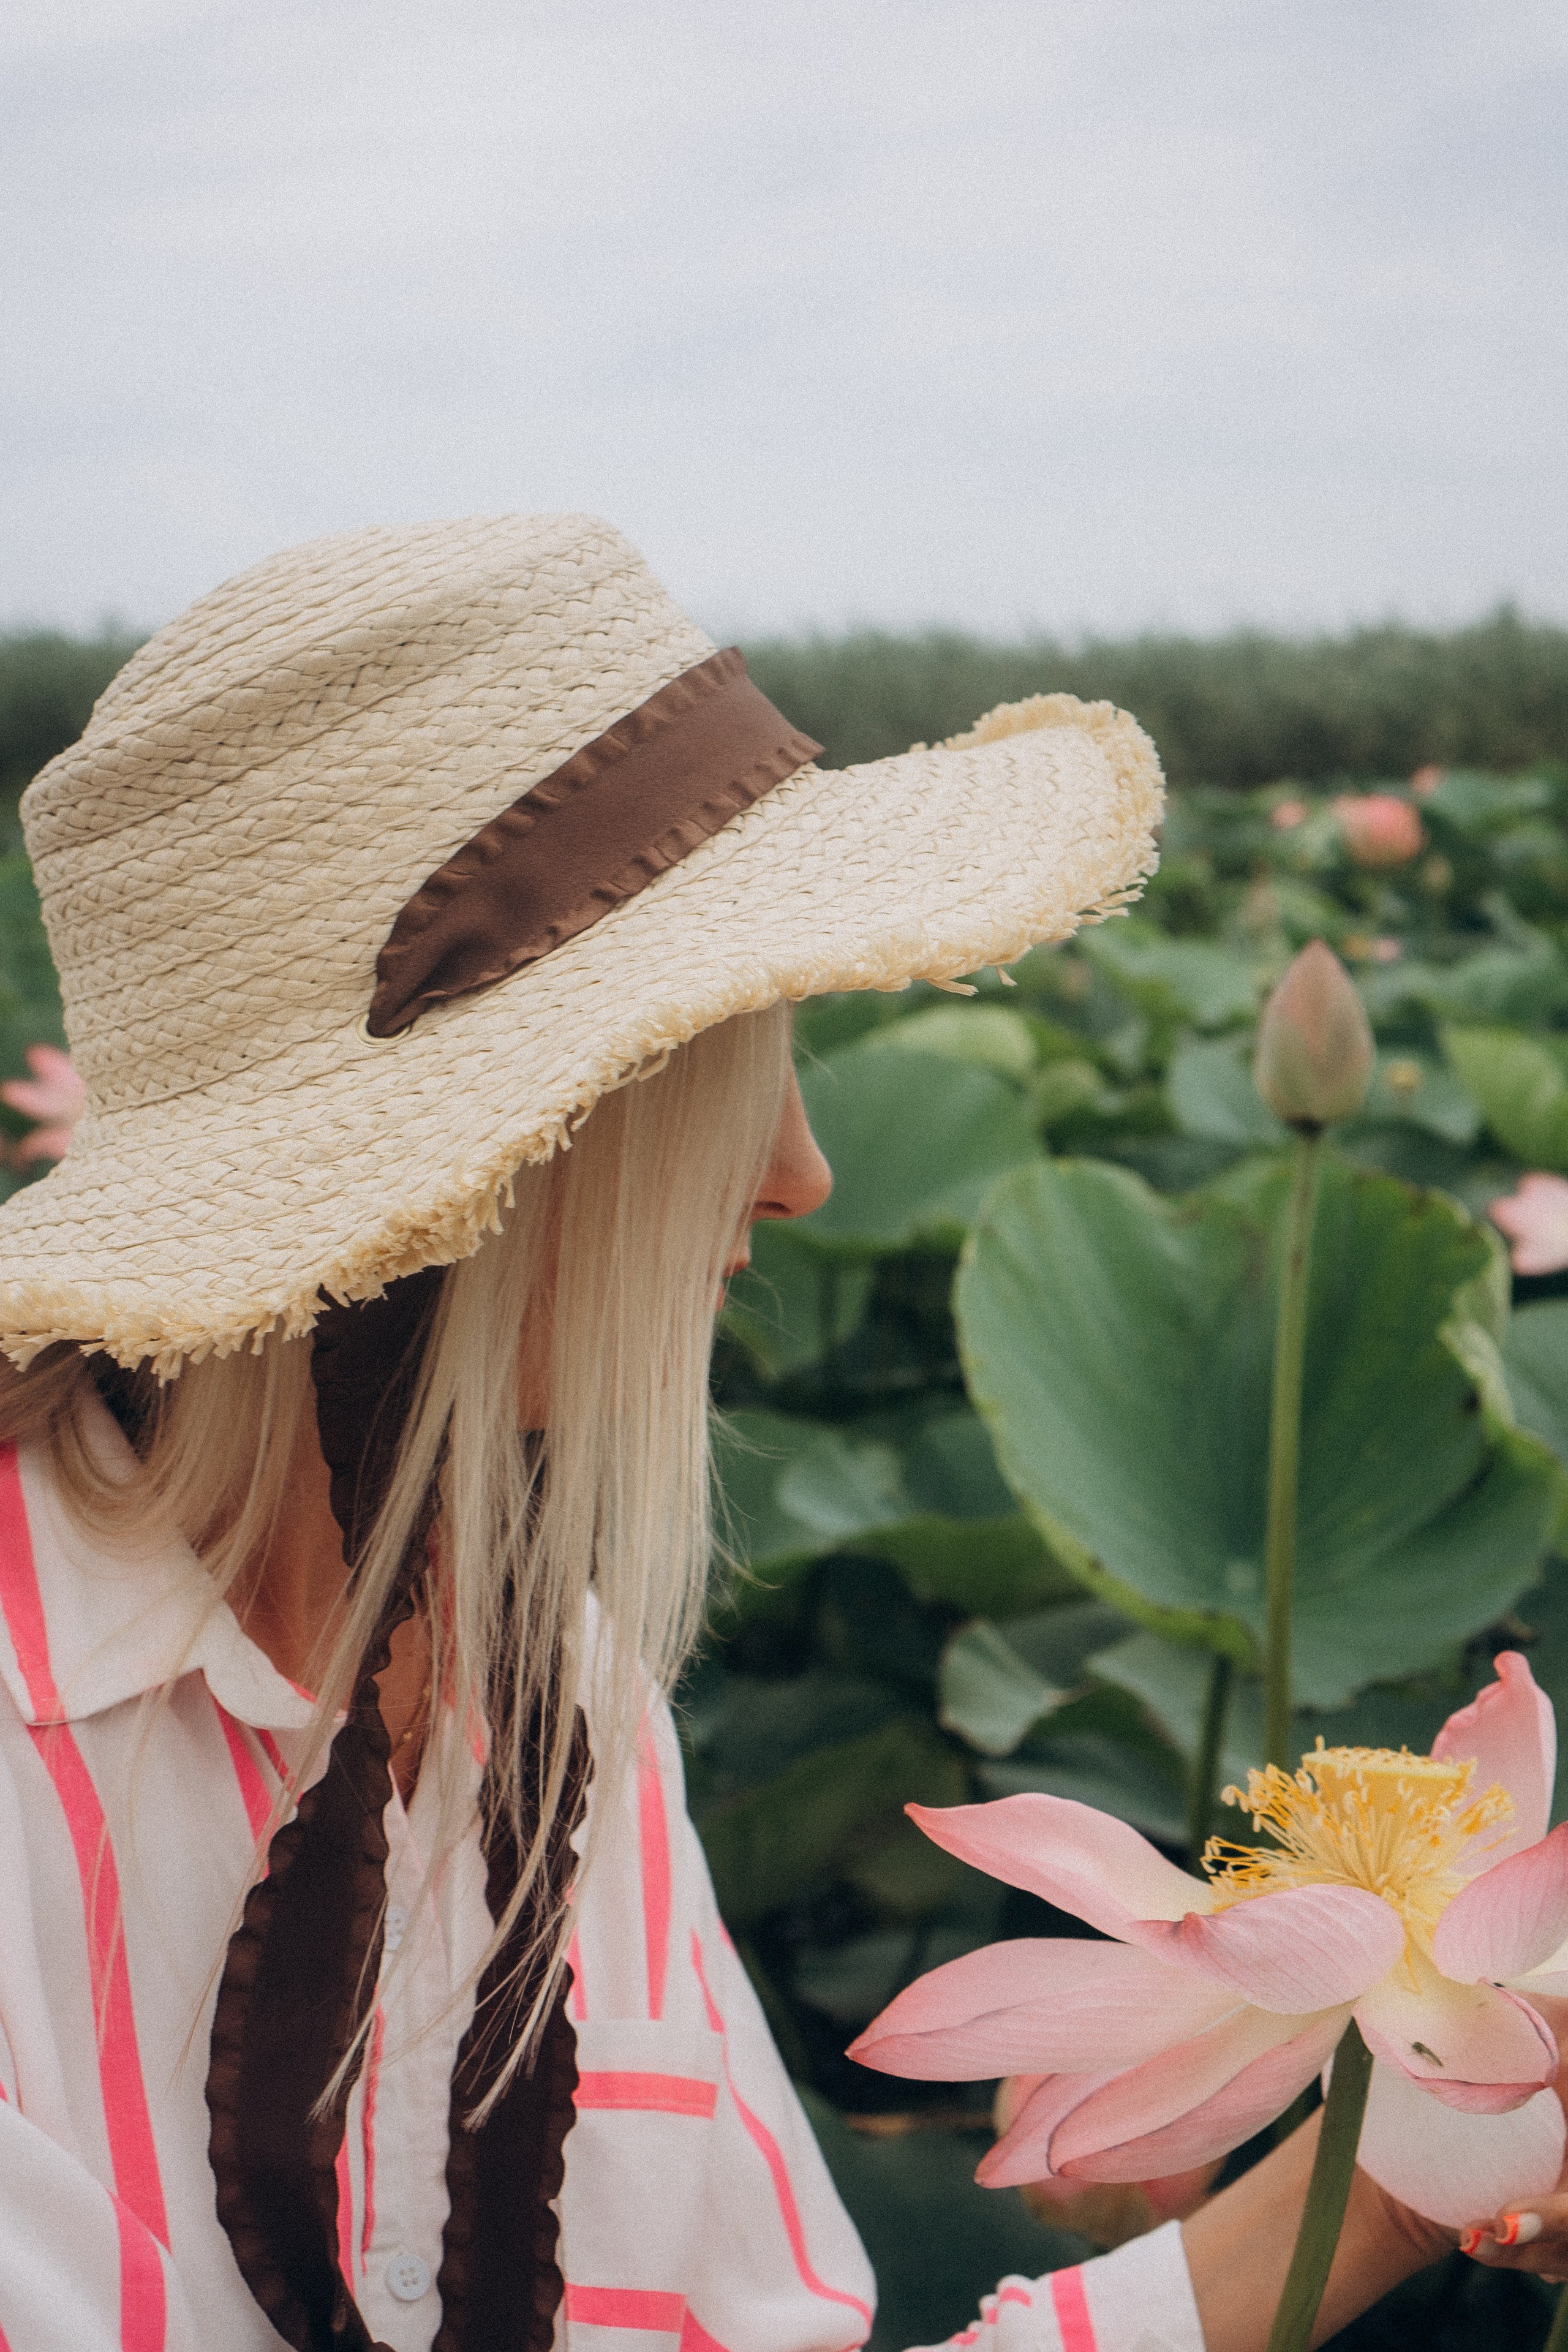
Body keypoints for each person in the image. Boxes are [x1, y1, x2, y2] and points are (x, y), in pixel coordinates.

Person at [0, 512, 1554, 2352]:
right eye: (730, 1045)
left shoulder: (553, 1687)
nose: (808, 1169)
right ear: (473, 1164)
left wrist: (1393, 2172)